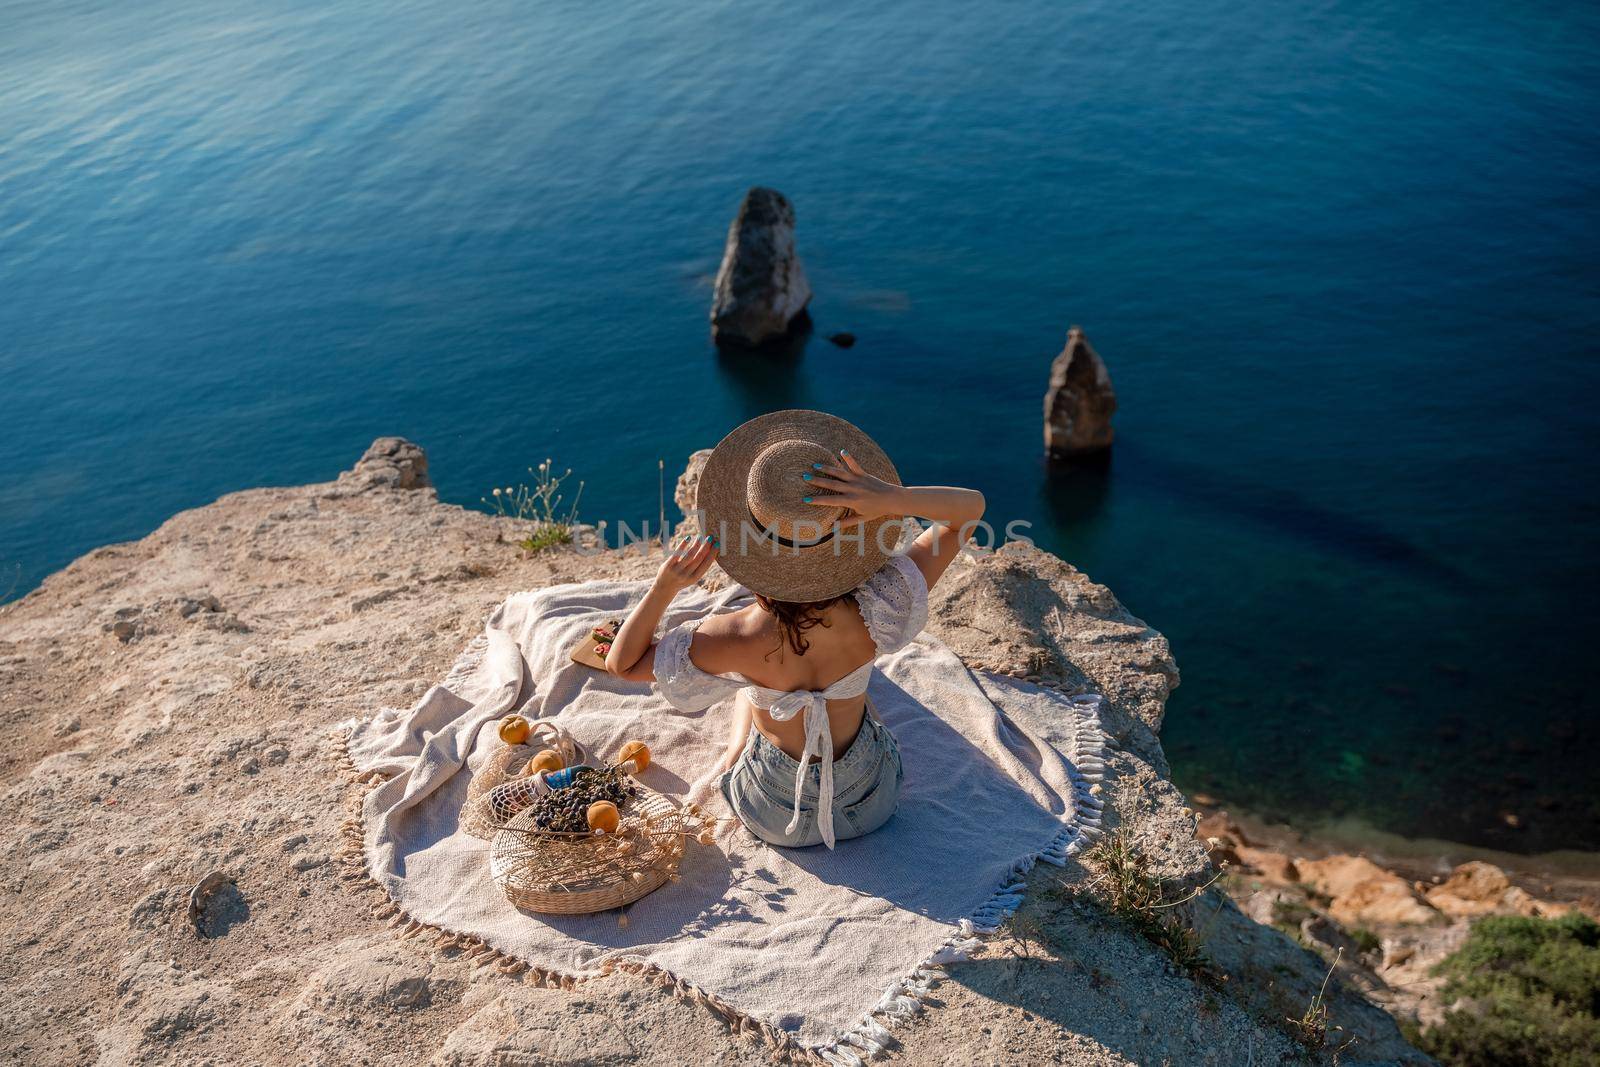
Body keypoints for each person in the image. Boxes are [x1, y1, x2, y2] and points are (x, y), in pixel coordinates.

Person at [605, 410, 984, 848]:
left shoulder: (734, 636)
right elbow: (970, 510)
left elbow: (621, 663)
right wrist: (889, 498)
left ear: (751, 550)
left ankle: (735, 752)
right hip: (874, 804)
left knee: (751, 683)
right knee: (848, 689)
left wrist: (665, 586)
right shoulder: (882, 603)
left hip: (773, 816)